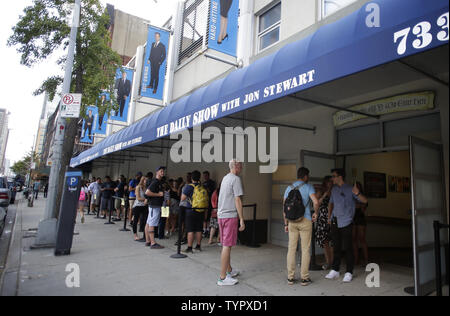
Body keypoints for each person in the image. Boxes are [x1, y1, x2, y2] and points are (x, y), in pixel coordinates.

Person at [326, 169, 368, 283]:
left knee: (348, 248)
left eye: (334, 176)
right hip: (335, 220)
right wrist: (329, 218)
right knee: (336, 246)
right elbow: (331, 203)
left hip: (347, 221)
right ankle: (335, 270)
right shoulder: (334, 189)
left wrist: (357, 193)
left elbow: (365, 200)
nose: (332, 178)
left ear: (340, 177)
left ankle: (349, 272)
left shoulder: (350, 189)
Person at [283, 167, 319, 286]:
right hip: (305, 220)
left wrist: (286, 223)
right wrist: (315, 214)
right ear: (305, 176)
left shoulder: (289, 188)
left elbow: (285, 207)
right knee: (305, 249)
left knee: (291, 249)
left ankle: (290, 278)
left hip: (292, 222)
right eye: (307, 176)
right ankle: (304, 278)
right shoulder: (308, 187)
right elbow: (316, 202)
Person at [217, 159, 245, 286]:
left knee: (225, 244)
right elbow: (237, 199)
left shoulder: (225, 178)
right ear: (236, 167)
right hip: (230, 216)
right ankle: (222, 278)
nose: (242, 168)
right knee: (227, 246)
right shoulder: (235, 179)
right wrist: (242, 219)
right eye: (241, 166)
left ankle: (229, 271)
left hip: (221, 215)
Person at [181, 171, 208, 253]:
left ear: (191, 178)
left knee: (190, 230)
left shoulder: (188, 187)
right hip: (201, 210)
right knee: (199, 229)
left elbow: (182, 198)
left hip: (191, 210)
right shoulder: (202, 187)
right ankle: (198, 246)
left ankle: (189, 247)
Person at [315, 176, 334, 270]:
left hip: (333, 217)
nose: (330, 183)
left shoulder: (335, 191)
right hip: (323, 218)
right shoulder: (321, 191)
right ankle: (328, 261)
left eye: (331, 181)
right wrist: (324, 194)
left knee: (333, 242)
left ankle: (333, 262)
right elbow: (317, 203)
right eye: (329, 181)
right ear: (325, 182)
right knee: (325, 241)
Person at [144, 166, 166, 249]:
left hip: (153, 205)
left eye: (163, 171)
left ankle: (148, 241)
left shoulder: (158, 182)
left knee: (149, 222)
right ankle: (153, 243)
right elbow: (147, 192)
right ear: (157, 172)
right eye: (161, 171)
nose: (162, 172)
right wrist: (159, 194)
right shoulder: (156, 182)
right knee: (152, 223)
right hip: (154, 205)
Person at [353, 182, 369, 267]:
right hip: (352, 219)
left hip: (360, 218)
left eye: (358, 187)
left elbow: (363, 208)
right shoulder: (352, 196)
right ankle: (356, 259)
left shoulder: (363, 196)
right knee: (354, 240)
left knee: (362, 239)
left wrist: (358, 205)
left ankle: (366, 260)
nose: (356, 188)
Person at [132, 175, 148, 242]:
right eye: (145, 180)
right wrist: (146, 199)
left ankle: (145, 236)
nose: (146, 182)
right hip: (137, 206)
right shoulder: (138, 187)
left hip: (144, 206)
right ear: (142, 180)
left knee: (145, 221)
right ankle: (135, 235)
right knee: (135, 220)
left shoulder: (146, 188)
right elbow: (138, 198)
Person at [203, 171, 217, 237]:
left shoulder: (211, 183)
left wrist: (207, 188)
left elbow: (212, 192)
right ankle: (204, 230)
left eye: (206, 175)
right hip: (203, 202)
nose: (205, 177)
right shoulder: (203, 183)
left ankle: (208, 230)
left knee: (208, 217)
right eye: (204, 176)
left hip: (210, 202)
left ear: (208, 175)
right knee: (204, 217)